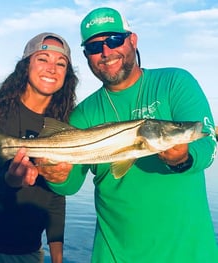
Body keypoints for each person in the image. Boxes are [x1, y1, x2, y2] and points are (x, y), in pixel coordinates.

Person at [43, 7, 218, 263]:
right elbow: (70, 185)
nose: (106, 52)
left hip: (190, 253)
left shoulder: (175, 82)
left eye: (114, 40)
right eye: (94, 47)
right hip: (114, 254)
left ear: (132, 40)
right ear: (86, 56)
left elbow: (208, 144)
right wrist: (56, 176)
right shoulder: (83, 113)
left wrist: (183, 158)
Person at [0, 32, 78, 263]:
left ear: (66, 75)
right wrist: (8, 182)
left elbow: (56, 196)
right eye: (43, 59)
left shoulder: (64, 127)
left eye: (61, 63)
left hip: (26, 252)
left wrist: (57, 257)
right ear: (25, 64)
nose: (52, 68)